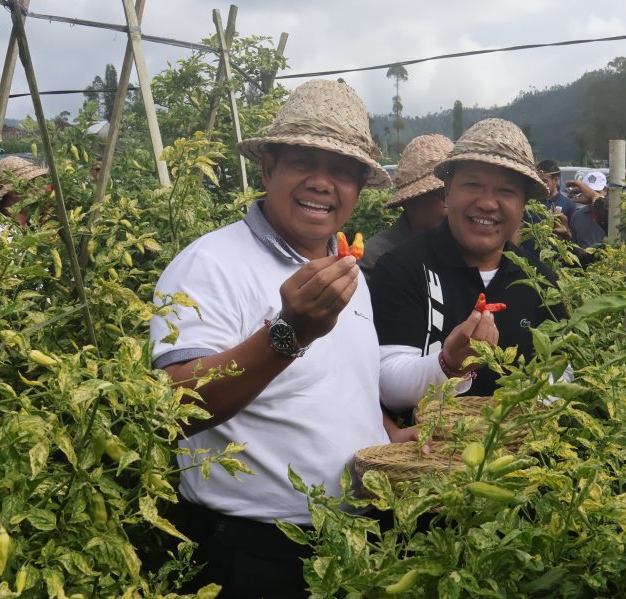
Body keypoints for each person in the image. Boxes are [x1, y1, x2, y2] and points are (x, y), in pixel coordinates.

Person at [148, 80, 400, 598]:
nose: (322, 183)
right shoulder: (210, 264)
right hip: (254, 554)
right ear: (268, 170)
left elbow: (341, 387)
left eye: (342, 170)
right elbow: (175, 407)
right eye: (304, 161)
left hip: (351, 543)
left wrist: (390, 439)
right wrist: (287, 334)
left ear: (358, 189)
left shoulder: (347, 272)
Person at [368, 118, 569, 412]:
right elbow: (386, 385)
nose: (487, 203)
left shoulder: (539, 281)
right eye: (473, 184)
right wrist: (448, 363)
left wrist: (528, 409)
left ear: (523, 203)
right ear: (448, 190)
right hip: (424, 442)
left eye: (507, 191)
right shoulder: (401, 269)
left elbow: (561, 371)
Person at [359, 134, 452, 275]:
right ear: (411, 201)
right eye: (445, 197)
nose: (454, 207)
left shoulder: (460, 248)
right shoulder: (375, 260)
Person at [566, 170, 608, 247]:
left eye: (596, 191)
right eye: (589, 192)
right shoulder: (577, 216)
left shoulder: (613, 215)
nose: (591, 196)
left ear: (605, 190)